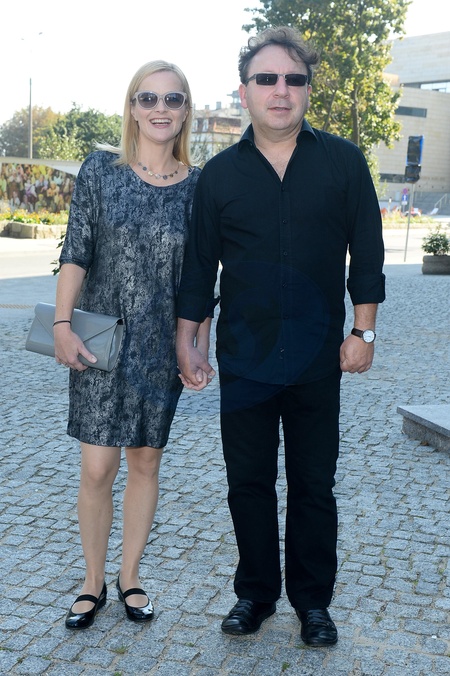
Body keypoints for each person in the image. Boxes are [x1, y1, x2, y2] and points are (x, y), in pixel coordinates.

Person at [176, 27, 385, 647]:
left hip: (320, 359)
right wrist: (188, 341)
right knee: (249, 484)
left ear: (308, 91)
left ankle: (314, 604)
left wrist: (364, 331)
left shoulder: (344, 163)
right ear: (244, 92)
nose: (281, 90)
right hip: (246, 360)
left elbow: (368, 253)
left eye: (294, 79)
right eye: (266, 78)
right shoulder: (219, 176)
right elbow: (199, 268)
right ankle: (256, 594)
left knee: (314, 486)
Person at [54, 60, 210, 629]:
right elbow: (76, 251)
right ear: (132, 108)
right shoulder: (99, 170)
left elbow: (201, 279)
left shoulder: (199, 186)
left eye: (173, 99)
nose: (160, 109)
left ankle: (130, 577)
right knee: (98, 467)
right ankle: (92, 581)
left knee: (145, 462)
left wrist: (197, 346)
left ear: (186, 111)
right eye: (148, 98)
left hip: (160, 347)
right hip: (100, 341)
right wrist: (61, 324)